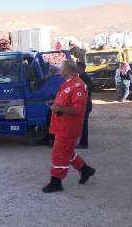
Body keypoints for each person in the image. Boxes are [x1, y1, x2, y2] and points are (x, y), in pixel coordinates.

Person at [42, 60, 96, 193]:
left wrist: (59, 107)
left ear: (66, 70)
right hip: (62, 125)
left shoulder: (78, 85)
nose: (60, 71)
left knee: (59, 153)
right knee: (67, 152)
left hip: (68, 127)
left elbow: (78, 109)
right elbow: (65, 101)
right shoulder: (68, 83)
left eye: (61, 69)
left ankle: (56, 182)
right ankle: (85, 170)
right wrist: (54, 103)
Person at [76, 62, 92, 149]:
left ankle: (84, 143)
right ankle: (83, 142)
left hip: (85, 104)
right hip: (85, 103)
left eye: (76, 67)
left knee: (83, 124)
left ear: (80, 68)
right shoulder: (83, 77)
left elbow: (86, 91)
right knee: (82, 124)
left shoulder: (83, 77)